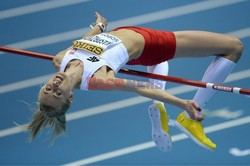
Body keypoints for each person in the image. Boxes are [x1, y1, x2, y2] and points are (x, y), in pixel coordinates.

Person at [27, 12, 243, 152]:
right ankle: (191, 118)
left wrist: (99, 27)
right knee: (234, 46)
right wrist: (182, 103)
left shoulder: (59, 58)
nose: (54, 87)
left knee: (160, 64)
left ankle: (160, 109)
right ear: (70, 96)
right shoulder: (98, 79)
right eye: (58, 94)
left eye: (48, 89)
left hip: (129, 34)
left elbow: (83, 44)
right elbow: (141, 87)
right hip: (154, 43)